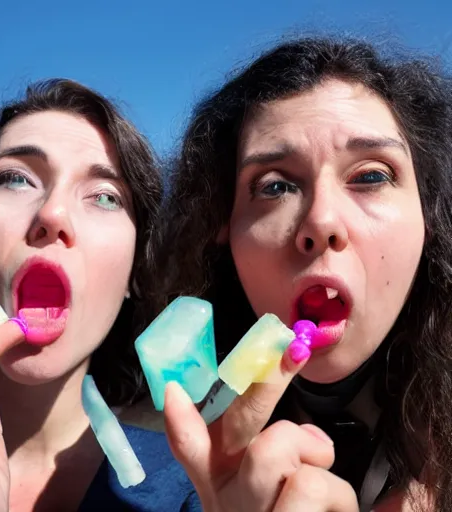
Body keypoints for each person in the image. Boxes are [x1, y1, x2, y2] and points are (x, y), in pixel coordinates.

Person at [158, 36, 452, 510]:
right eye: (274, 186)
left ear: (430, 215)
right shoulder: (165, 463)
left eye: (372, 176)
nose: (322, 222)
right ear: (221, 224)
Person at [0, 78, 201, 511]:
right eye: (16, 178)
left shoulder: (195, 490)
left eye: (104, 196)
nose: (53, 213)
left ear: (133, 276)